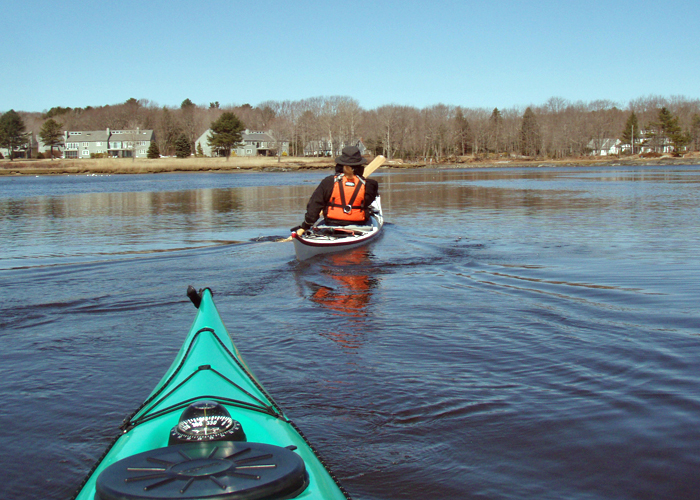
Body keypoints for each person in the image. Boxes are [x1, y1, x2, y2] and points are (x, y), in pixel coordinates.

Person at [292, 146, 379, 235]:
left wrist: (306, 225)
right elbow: (367, 202)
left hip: (332, 223)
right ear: (360, 166)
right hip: (358, 224)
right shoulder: (370, 184)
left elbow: (314, 205)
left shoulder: (329, 182)